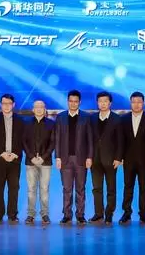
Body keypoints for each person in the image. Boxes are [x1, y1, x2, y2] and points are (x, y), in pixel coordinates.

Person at [54, 89, 93, 224]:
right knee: (67, 189)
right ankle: (67, 215)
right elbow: (57, 138)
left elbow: (90, 139)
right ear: (67, 101)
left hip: (81, 159)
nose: (73, 103)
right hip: (65, 159)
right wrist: (57, 157)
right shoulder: (60, 117)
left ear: (79, 102)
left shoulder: (86, 117)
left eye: (76, 101)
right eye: (71, 101)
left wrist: (89, 157)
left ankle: (80, 215)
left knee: (81, 189)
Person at [119, 91, 145, 225]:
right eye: (134, 102)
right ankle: (126, 212)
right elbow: (121, 140)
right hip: (128, 158)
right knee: (128, 186)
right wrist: (120, 157)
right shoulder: (123, 119)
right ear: (130, 103)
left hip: (144, 159)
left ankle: (143, 213)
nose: (136, 104)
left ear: (143, 103)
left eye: (139, 102)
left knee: (143, 186)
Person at [0, 94, 25, 223]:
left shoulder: (20, 120)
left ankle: (12, 214)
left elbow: (23, 139)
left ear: (13, 104)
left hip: (15, 160)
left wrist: (15, 154)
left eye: (9, 103)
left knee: (14, 188)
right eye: (4, 103)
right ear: (0, 105)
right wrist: (2, 153)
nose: (6, 106)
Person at [90, 91, 123, 225]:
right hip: (95, 159)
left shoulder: (117, 119)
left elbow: (120, 141)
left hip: (111, 159)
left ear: (110, 103)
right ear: (97, 103)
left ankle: (109, 213)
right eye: (100, 101)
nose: (103, 104)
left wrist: (118, 158)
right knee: (96, 188)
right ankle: (98, 213)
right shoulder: (92, 118)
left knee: (111, 188)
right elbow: (89, 139)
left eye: (105, 101)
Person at [22, 100, 55, 225]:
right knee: (31, 189)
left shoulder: (51, 124)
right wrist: (31, 157)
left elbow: (53, 142)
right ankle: (30, 214)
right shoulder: (26, 123)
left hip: (45, 162)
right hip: (30, 162)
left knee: (44, 189)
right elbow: (23, 142)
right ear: (33, 109)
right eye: (37, 107)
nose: (39, 109)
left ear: (45, 109)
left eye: (41, 106)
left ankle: (45, 214)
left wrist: (43, 157)